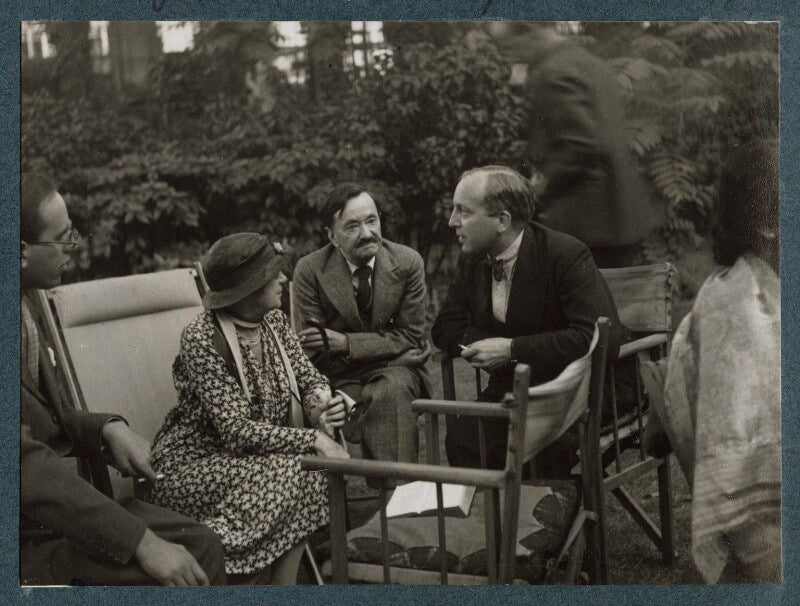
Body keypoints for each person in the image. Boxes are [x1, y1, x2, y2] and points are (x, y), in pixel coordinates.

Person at [20, 173, 226, 586]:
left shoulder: (22, 303)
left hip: (47, 511)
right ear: (21, 252)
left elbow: (47, 420)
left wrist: (108, 429)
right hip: (24, 534)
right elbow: (23, 463)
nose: (73, 248)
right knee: (181, 562)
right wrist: (143, 544)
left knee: (200, 542)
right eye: (62, 239)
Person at [148, 232, 350, 585]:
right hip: (192, 467)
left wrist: (324, 407)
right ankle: (226, 567)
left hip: (255, 462)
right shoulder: (201, 337)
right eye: (274, 274)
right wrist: (313, 440)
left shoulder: (274, 322)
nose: (283, 279)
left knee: (305, 470)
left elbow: (308, 378)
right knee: (298, 469)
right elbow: (236, 431)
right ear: (248, 286)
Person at [432, 165, 629, 471]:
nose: (452, 221)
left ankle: (554, 518)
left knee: (544, 456)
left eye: (463, 211)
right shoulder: (473, 259)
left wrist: (511, 349)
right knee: (464, 438)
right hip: (516, 389)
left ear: (502, 220)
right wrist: (486, 347)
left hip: (579, 391)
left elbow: (599, 336)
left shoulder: (564, 254)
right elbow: (445, 327)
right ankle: (494, 520)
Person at [662, 139, 780, 583]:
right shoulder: (740, 307)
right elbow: (747, 463)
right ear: (769, 225)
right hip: (765, 522)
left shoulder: (768, 284)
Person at [487, 22, 662, 268]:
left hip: (589, 221)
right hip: (618, 213)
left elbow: (581, 146)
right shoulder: (588, 62)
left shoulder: (553, 73)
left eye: (508, 46)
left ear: (528, 32)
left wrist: (539, 187)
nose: (511, 56)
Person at [293, 183, 430, 466]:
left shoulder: (407, 262)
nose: (367, 233)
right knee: (374, 401)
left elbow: (411, 334)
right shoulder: (310, 270)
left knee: (391, 391)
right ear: (332, 236)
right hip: (341, 378)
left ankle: (394, 495)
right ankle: (393, 495)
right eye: (352, 226)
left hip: (395, 374)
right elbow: (314, 347)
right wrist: (396, 352)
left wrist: (345, 343)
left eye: (372, 220)